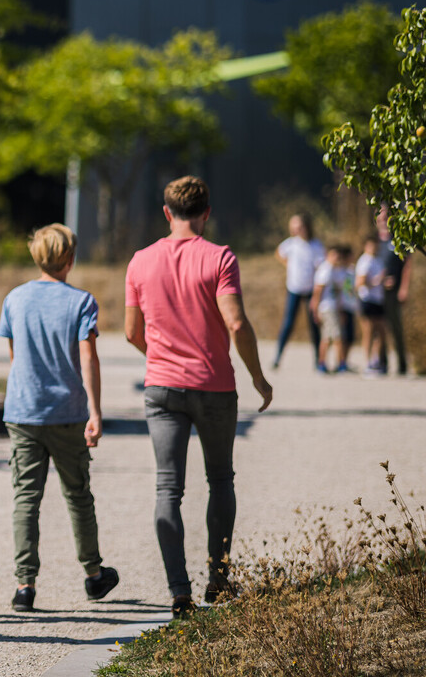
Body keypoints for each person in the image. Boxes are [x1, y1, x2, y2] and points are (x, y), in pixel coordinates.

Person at [124, 176, 272, 619]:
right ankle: (218, 581)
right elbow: (237, 323)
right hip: (214, 385)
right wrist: (258, 377)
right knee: (220, 479)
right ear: (207, 213)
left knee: (168, 487)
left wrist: (161, 359)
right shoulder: (220, 257)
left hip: (162, 388)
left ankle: (178, 592)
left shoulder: (140, 261)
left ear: (166, 213)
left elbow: (131, 332)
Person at [0, 224, 119, 613]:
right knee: (78, 495)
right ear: (70, 258)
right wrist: (95, 411)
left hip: (24, 411)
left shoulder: (14, 299)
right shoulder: (82, 302)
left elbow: (15, 357)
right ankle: (94, 575)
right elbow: (88, 356)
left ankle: (25, 585)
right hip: (67, 413)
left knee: (26, 498)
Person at [272, 214, 326, 370]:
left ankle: (318, 360)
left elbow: (321, 267)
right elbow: (279, 252)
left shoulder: (316, 246)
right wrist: (288, 265)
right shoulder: (291, 243)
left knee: (314, 325)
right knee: (288, 323)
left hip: (310, 290)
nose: (296, 230)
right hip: (294, 289)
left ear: (306, 227)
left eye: (299, 227)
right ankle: (278, 356)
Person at [376, 206, 412, 376]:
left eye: (386, 217)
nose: (383, 220)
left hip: (393, 291)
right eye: (380, 217)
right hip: (376, 292)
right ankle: (381, 362)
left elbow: (407, 265)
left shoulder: (398, 240)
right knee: (378, 327)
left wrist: (404, 288)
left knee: (395, 327)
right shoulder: (374, 241)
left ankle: (402, 364)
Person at [310, 245, 355, 374]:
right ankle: (341, 364)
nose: (337, 258)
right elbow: (317, 291)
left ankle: (322, 363)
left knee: (327, 337)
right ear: (327, 255)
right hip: (327, 307)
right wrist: (315, 310)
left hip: (333, 307)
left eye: (338, 256)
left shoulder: (334, 270)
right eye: (334, 255)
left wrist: (340, 310)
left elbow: (338, 293)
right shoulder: (325, 270)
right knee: (337, 336)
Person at [354, 236, 390, 377]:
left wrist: (384, 282)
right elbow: (359, 283)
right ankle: (367, 362)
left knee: (381, 331)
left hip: (378, 300)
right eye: (371, 245)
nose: (374, 248)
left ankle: (376, 361)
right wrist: (376, 281)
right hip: (367, 299)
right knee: (368, 331)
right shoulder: (365, 261)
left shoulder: (378, 260)